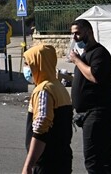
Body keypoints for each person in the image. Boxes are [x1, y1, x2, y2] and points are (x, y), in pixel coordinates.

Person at [68, 19, 111, 174]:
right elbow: (84, 78)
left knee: (93, 161)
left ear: (89, 31)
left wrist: (77, 61)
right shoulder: (85, 54)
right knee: (105, 157)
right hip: (90, 112)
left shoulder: (99, 53)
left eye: (78, 33)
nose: (75, 38)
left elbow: (94, 76)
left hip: (100, 111)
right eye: (73, 34)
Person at [21, 44, 73, 174]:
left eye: (28, 64)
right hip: (62, 158)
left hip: (47, 163)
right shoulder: (58, 86)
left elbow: (41, 129)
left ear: (38, 64)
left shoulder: (43, 90)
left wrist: (28, 165)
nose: (26, 68)